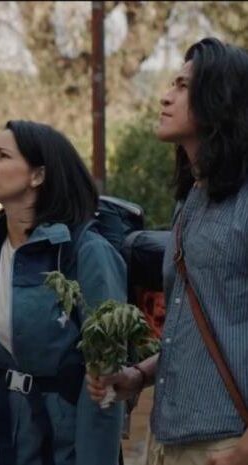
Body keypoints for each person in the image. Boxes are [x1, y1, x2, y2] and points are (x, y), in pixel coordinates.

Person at [87, 38, 248, 465]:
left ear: (220, 99)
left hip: (226, 442)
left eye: (182, 85)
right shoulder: (191, 200)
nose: (165, 96)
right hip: (167, 438)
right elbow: (201, 330)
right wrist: (139, 375)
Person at [0, 120, 126, 465]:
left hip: (62, 447)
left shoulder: (87, 253)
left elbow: (106, 378)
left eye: (3, 155)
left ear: (38, 175)